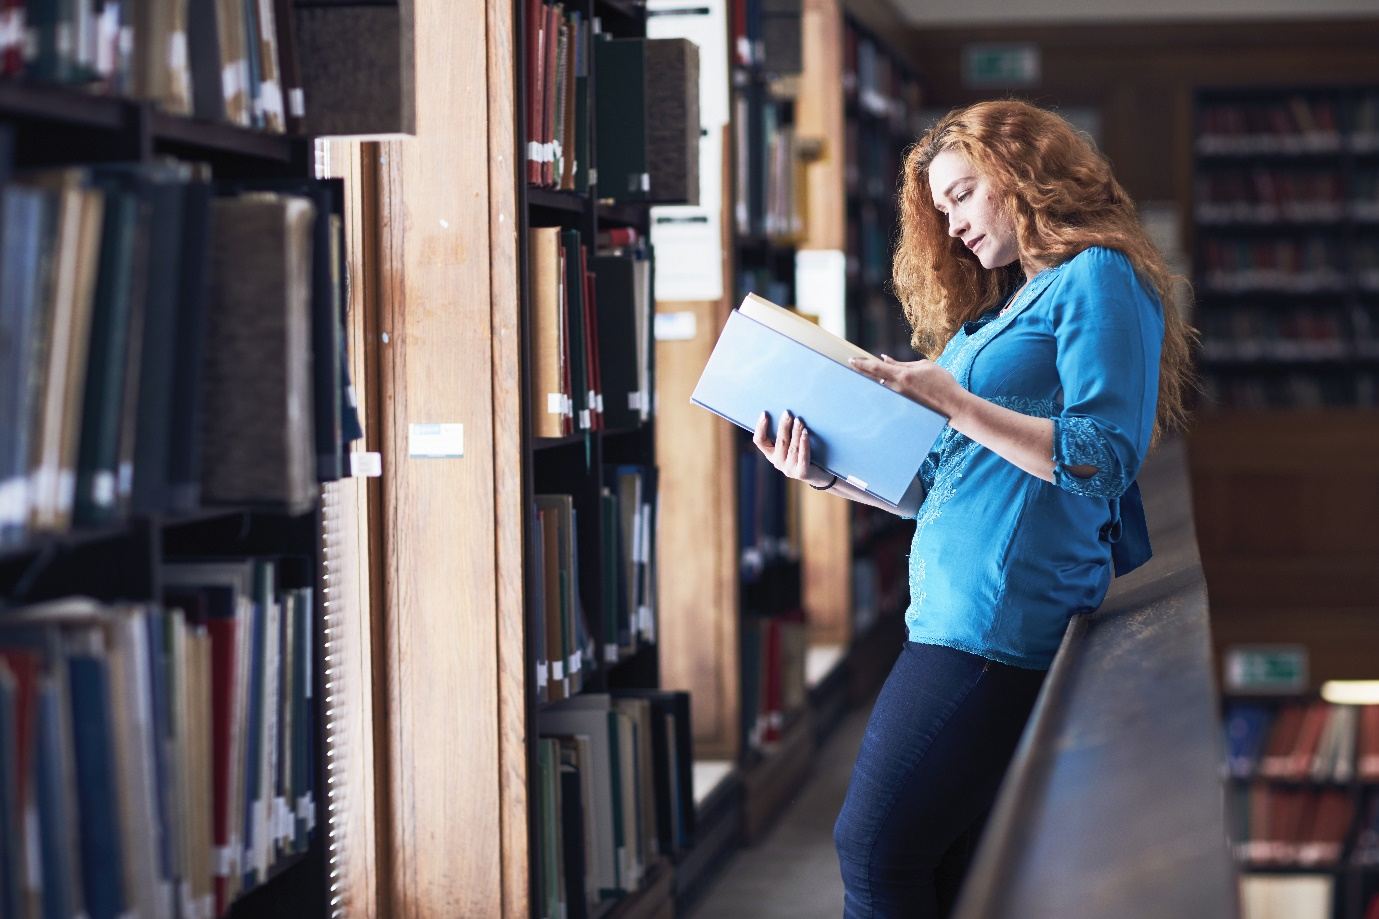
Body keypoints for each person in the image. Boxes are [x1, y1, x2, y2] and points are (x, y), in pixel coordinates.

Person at [750, 99, 1197, 918]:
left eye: (959, 194)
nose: (949, 223)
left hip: (997, 623)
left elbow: (1100, 456)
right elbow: (934, 486)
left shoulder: (1098, 275)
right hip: (950, 611)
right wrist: (822, 473)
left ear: (1019, 174)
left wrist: (954, 402)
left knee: (873, 849)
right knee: (946, 867)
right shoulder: (999, 307)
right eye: (939, 207)